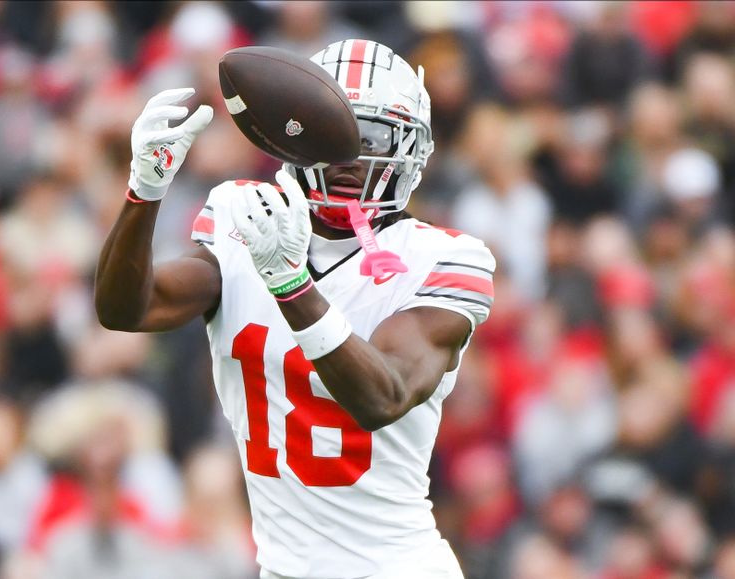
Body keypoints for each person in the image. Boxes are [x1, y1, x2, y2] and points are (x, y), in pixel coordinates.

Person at [95, 39, 495, 579]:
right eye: (334, 133)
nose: (351, 155)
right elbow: (127, 310)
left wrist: (290, 282)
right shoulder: (243, 213)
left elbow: (382, 395)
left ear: (409, 148)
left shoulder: (444, 257)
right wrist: (144, 191)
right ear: (295, 134)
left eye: (370, 136)